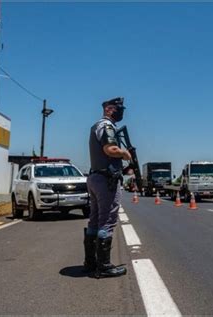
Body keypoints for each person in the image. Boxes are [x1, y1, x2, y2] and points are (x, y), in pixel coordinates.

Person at [83, 97, 131, 278]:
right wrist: (125, 153)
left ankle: (90, 262)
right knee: (107, 220)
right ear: (109, 109)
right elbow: (110, 150)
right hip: (106, 180)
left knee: (94, 220)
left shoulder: (96, 126)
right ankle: (103, 266)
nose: (121, 112)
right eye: (119, 108)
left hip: (95, 177)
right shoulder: (107, 126)